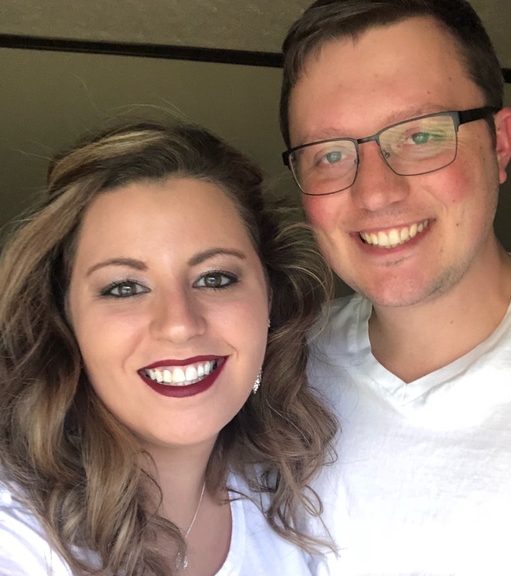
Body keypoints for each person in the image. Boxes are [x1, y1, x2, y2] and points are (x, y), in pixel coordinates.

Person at [279, 0, 511, 574]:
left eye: (420, 136)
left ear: (499, 144)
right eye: (330, 154)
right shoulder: (276, 367)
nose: (375, 193)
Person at [0, 121, 337, 575]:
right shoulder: (16, 533)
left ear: (270, 300)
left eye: (215, 278)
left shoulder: (291, 499)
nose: (179, 324)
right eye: (124, 287)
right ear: (65, 319)